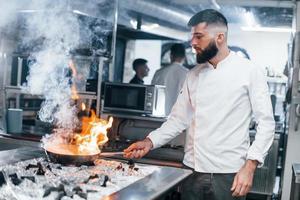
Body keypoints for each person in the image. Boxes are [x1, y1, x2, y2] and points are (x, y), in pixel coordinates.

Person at [123, 9, 275, 200]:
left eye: (199, 36)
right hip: (192, 171)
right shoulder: (193, 74)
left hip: (228, 174)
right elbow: (178, 119)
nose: (192, 43)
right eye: (192, 36)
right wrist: (149, 141)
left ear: (220, 37)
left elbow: (267, 124)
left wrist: (250, 166)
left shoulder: (249, 72)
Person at [151, 43, 188, 115]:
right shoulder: (188, 74)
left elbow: (152, 95)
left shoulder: (159, 73)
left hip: (159, 116)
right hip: (179, 117)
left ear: (171, 55)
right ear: (184, 57)